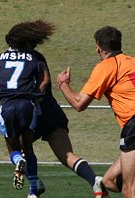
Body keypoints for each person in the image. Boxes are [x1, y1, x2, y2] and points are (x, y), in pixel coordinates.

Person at [57, 25, 135, 198]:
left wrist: (63, 84)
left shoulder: (106, 66)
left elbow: (79, 103)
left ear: (98, 48)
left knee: (131, 191)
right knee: (110, 182)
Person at [24, 28, 109, 198]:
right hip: (52, 113)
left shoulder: (20, 59)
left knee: (18, 150)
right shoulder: (38, 57)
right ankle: (94, 180)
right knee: (68, 156)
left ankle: (34, 187)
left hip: (32, 113)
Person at [0, 19, 50, 194]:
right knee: (29, 148)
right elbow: (44, 80)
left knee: (12, 145)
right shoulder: (33, 58)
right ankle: (33, 190)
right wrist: (36, 98)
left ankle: (17, 161)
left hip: (7, 105)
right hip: (27, 104)